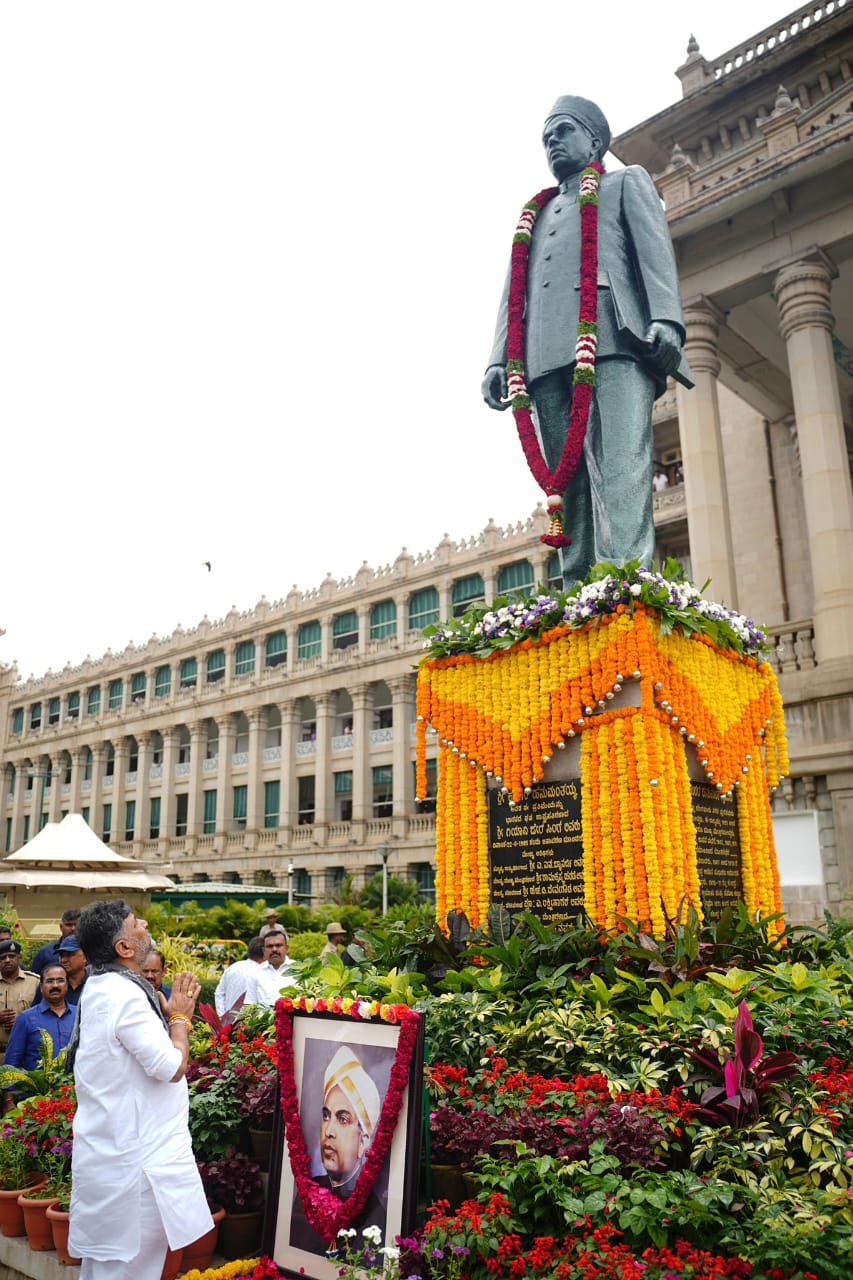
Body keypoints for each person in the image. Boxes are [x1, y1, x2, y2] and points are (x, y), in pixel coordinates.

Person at [482, 95, 692, 586]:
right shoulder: (535, 214)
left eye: (563, 131)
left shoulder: (625, 183)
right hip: (543, 355)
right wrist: (499, 360)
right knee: (565, 480)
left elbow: (655, 256)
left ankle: (625, 580)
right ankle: (577, 586)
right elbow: (514, 292)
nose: (553, 142)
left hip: (615, 337)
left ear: (594, 140)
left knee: (623, 462)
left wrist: (667, 320)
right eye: (546, 138)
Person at [67, 898, 212, 1279]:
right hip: (137, 1167)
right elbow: (171, 1067)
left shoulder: (101, 988)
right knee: (129, 1269)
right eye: (137, 924)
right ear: (125, 949)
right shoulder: (125, 995)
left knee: (106, 1268)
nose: (145, 923)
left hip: (114, 1157)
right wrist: (180, 1018)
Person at [289, 1045, 387, 1256]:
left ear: (363, 1142)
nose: (329, 1131)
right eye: (326, 1116)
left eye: (342, 1119)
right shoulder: (308, 1192)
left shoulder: (375, 1212)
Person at [3, 963, 75, 1105]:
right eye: (49, 981)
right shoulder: (26, 1018)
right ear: (41, 987)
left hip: (72, 1095)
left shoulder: (80, 1014)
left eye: (60, 980)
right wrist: (8, 1100)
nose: (55, 985)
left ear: (67, 985)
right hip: (34, 1098)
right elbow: (12, 1060)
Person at [0, 940, 40, 1060]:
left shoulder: (35, 982)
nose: (7, 960)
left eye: (12, 956)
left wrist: (21, 1023)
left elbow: (45, 1015)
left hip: (26, 1054)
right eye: (2, 957)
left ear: (19, 957)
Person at [213, 936, 265, 1015]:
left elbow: (219, 993)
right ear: (264, 952)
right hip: (249, 1023)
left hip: (227, 1023)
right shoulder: (263, 973)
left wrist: (222, 1016)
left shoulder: (233, 967)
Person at [244, 926, 293, 1006]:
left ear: (286, 948)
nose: (274, 949)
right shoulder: (255, 973)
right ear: (263, 950)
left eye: (278, 945)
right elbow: (249, 1004)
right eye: (270, 946)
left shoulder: (298, 970)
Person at [29, 909, 81, 978]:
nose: (73, 928)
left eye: (76, 925)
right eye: (69, 925)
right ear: (61, 927)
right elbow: (34, 979)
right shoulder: (45, 952)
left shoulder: (90, 950)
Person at [58, 934, 89, 1005]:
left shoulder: (94, 985)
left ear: (85, 956)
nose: (63, 960)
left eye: (69, 955)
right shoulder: (51, 985)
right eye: (61, 955)